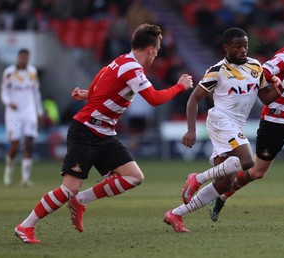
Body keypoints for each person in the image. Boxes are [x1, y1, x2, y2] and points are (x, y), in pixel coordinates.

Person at [14, 23, 193, 244]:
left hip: (104, 133)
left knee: (134, 176)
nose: (155, 56)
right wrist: (179, 86)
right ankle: (25, 226)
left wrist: (88, 94)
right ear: (149, 49)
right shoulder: (133, 68)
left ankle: (81, 200)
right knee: (69, 187)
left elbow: (100, 84)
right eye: (156, 52)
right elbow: (154, 99)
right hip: (86, 131)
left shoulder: (119, 61)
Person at [163, 27, 284, 233]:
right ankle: (197, 178)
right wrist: (191, 130)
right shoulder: (217, 70)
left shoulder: (256, 66)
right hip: (220, 119)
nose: (243, 50)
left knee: (224, 184)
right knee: (248, 161)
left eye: (245, 45)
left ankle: (175, 214)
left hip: (235, 124)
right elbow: (194, 99)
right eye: (237, 46)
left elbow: (265, 98)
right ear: (226, 47)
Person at [208, 16, 284, 222]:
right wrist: (279, 79)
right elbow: (261, 73)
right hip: (274, 122)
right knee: (256, 172)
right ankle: (221, 196)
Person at [1, 48, 44, 187]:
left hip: (29, 112)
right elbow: (4, 92)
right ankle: (8, 171)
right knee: (14, 145)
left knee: (29, 143)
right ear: (18, 58)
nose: (25, 60)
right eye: (23, 57)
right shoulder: (9, 72)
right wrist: (9, 102)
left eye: (27, 58)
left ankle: (25, 178)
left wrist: (39, 112)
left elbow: (36, 92)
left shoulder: (32, 72)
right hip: (14, 114)